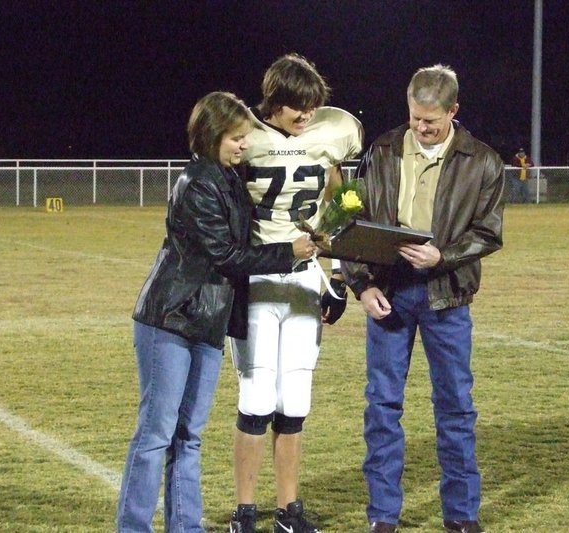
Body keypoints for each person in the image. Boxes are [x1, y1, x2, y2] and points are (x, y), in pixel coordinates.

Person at [116, 91, 317, 533]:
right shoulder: (198, 183)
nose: (244, 145)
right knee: (156, 436)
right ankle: (133, 527)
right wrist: (289, 254)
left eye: (246, 137)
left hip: (206, 321)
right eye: (236, 138)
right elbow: (228, 255)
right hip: (170, 320)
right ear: (212, 135)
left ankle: (185, 527)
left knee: (189, 436)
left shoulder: (227, 178)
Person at [341, 65, 504, 533]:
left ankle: (461, 514)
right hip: (388, 294)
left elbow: (489, 234)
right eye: (415, 117)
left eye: (431, 120)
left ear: (454, 111)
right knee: (382, 407)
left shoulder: (484, 162)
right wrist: (362, 283)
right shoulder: (383, 150)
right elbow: (352, 221)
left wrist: (442, 255)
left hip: (447, 297)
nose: (421, 127)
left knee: (455, 407)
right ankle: (383, 517)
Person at [228, 53, 363, 533]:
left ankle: (289, 509)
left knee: (296, 399)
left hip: (306, 277)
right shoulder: (245, 137)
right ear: (274, 101)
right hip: (258, 275)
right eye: (296, 107)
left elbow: (344, 203)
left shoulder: (325, 141)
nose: (306, 116)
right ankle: (245, 511)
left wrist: (340, 277)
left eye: (311, 107)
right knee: (256, 394)